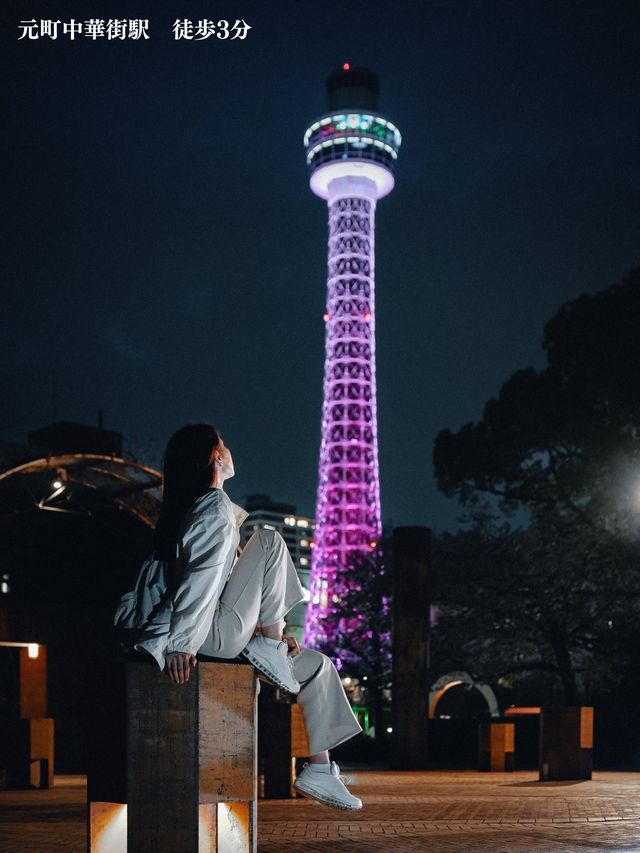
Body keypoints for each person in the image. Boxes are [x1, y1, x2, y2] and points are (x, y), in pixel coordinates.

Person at [114, 423, 363, 810]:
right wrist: (180, 644)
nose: (230, 450)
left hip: (221, 632)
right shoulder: (212, 509)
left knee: (318, 668)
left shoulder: (204, 509)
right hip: (208, 633)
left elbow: (217, 585)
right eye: (224, 444)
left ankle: (319, 768)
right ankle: (271, 645)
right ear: (215, 456)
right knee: (269, 540)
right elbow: (199, 582)